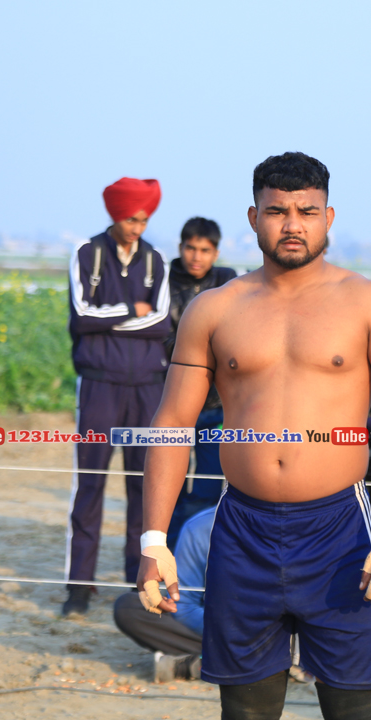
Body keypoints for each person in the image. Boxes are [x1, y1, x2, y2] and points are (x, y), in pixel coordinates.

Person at [138, 152, 371, 720]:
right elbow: (172, 423)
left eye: (307, 211)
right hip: (242, 529)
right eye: (277, 212)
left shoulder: (370, 303)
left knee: (357, 710)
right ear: (254, 218)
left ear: (329, 217)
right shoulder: (213, 309)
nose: (292, 224)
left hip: (338, 531)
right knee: (245, 710)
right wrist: (154, 542)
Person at [65, 177, 171, 616]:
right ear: (115, 215)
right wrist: (131, 311)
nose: (137, 228)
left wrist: (108, 323)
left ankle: (136, 581)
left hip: (147, 386)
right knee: (89, 484)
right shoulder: (86, 254)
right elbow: (80, 316)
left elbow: (162, 322)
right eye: (131, 220)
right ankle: (78, 588)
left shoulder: (155, 260)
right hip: (98, 385)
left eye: (143, 220)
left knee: (142, 487)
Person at [165, 217, 237, 548]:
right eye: (191, 248)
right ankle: (166, 556)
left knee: (209, 487)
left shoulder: (227, 281)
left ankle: (194, 557)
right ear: (180, 248)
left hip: (215, 405)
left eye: (205, 250)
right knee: (170, 487)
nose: (196, 257)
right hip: (173, 401)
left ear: (216, 253)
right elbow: (160, 338)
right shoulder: (163, 282)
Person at [114, 506, 213, 683]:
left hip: (267, 633)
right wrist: (227, 629)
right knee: (129, 607)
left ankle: (204, 664)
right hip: (220, 628)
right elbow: (184, 605)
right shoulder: (201, 527)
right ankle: (232, 660)